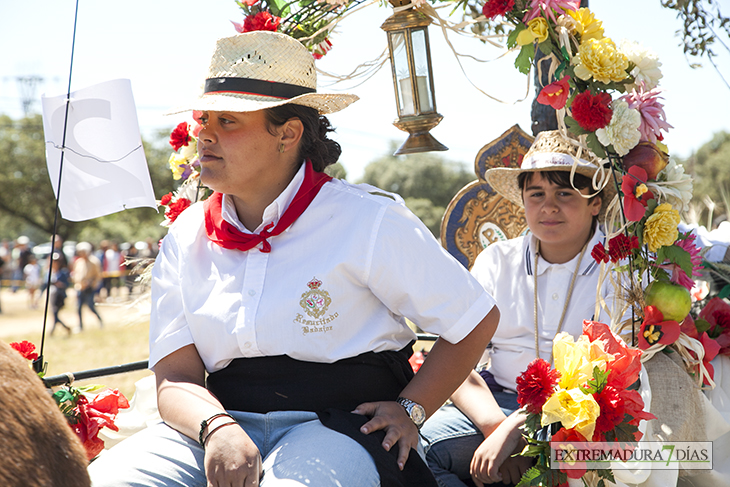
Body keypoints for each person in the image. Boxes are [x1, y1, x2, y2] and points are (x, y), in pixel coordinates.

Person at [88, 31, 500, 487]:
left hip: (341, 427)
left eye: (228, 121)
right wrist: (216, 428)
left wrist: (411, 410)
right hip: (216, 428)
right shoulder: (187, 234)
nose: (203, 133)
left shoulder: (368, 219)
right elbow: (175, 376)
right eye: (204, 118)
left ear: (288, 133)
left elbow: (474, 318)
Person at [421, 131, 618, 487]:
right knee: (417, 449)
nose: (549, 207)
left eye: (565, 193)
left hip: (584, 417)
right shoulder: (497, 261)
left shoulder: (616, 269)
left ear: (595, 203)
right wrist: (498, 429)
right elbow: (457, 363)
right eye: (537, 194)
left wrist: (517, 429)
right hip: (497, 406)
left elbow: (610, 376)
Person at [71, 242, 103, 330]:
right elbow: (76, 274)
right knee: (78, 308)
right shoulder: (78, 262)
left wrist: (91, 283)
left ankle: (100, 321)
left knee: (91, 307)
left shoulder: (94, 261)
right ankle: (80, 326)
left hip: (89, 289)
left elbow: (98, 276)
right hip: (80, 288)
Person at [49, 252, 72, 336]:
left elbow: (67, 284)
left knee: (55, 314)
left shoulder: (63, 272)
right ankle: (63, 329)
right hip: (52, 296)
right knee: (54, 314)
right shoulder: (51, 272)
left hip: (59, 296)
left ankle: (54, 331)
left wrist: (59, 284)